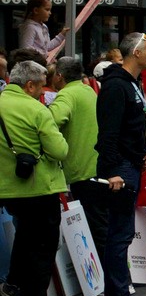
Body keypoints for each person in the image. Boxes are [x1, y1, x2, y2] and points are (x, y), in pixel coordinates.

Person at [0, 59, 69, 296]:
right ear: (29, 85)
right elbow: (60, 150)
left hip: (7, 188)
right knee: (41, 252)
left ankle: (11, 284)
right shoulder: (35, 109)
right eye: (41, 87)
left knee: (25, 239)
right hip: (39, 187)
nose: (43, 92)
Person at [94, 32, 146, 296]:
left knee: (122, 233)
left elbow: (132, 127)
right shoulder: (116, 86)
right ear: (136, 53)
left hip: (130, 164)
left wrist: (144, 150)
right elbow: (108, 133)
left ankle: (119, 294)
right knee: (119, 234)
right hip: (119, 169)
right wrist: (111, 171)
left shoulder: (132, 83)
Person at [48, 55, 99, 204]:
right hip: (95, 164)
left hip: (78, 170)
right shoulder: (88, 90)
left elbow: (51, 122)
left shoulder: (66, 94)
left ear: (59, 76)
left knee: (87, 215)